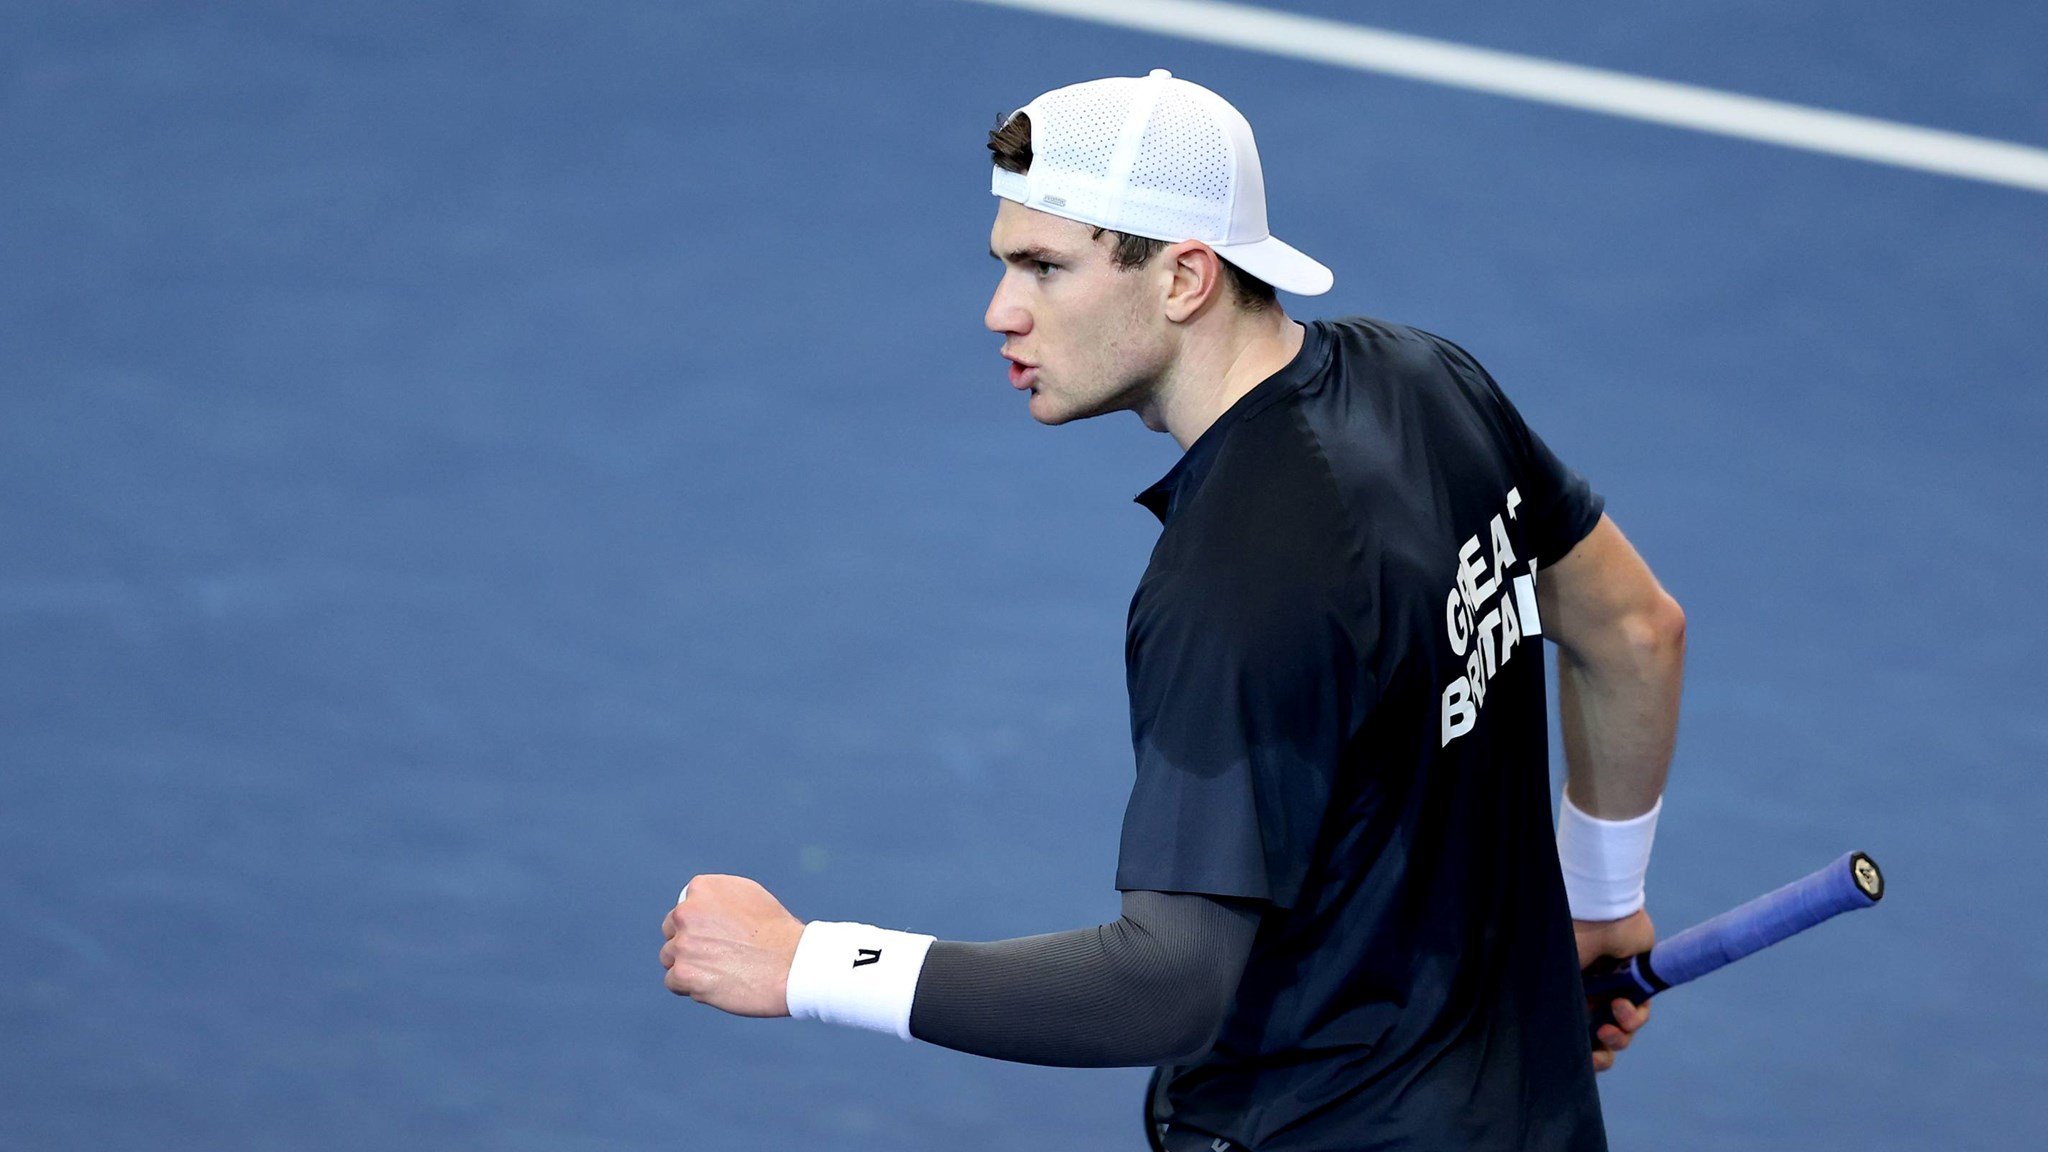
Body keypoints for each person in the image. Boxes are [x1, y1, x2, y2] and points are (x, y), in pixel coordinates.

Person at [659, 69, 1684, 1152]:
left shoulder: (1234, 585)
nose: (1001, 310)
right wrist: (1599, 900)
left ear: (1184, 276)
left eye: (1045, 268)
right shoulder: (1427, 381)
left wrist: (807, 963)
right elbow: (1632, 632)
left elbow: (1165, 984)